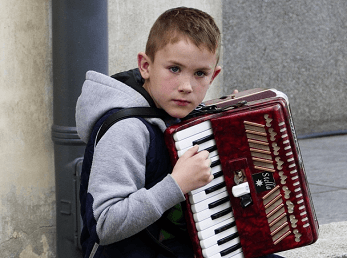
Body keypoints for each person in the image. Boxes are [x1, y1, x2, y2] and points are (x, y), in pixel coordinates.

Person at [76, 6, 284, 258]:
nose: (186, 86)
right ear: (145, 66)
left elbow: (239, 188)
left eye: (200, 74)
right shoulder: (126, 129)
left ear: (213, 76)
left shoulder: (184, 115)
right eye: (174, 69)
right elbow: (104, 224)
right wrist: (176, 184)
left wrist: (236, 134)